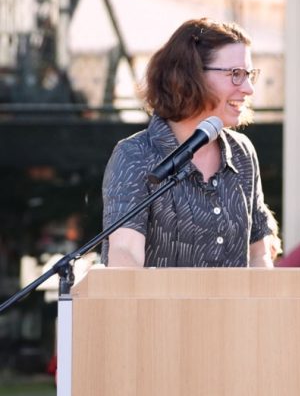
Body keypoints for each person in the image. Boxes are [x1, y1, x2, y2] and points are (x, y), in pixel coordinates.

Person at [101, 17, 275, 268]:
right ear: (190, 76)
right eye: (236, 74)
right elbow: (124, 253)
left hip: (235, 309)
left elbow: (260, 255)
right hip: (158, 309)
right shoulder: (135, 154)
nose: (249, 89)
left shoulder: (242, 152)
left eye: (249, 75)